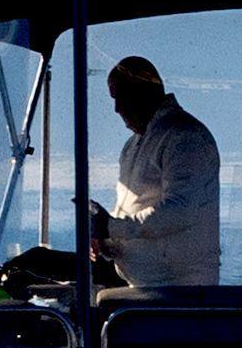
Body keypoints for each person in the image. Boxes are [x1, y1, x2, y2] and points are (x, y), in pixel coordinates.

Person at [92, 56, 223, 292]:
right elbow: (139, 209)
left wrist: (112, 228)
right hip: (142, 286)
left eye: (120, 97)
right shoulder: (132, 145)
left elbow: (180, 209)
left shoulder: (185, 137)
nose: (116, 109)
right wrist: (107, 242)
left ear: (144, 93)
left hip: (179, 292)